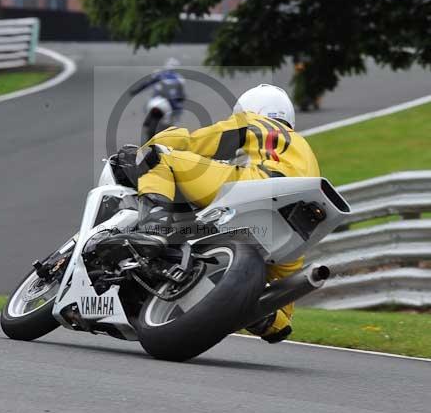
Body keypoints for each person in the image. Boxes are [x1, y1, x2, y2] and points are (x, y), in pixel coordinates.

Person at [131, 84, 319, 344]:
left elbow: (196, 142)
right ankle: (267, 320)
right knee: (283, 314)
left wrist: (154, 143)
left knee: (159, 158)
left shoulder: (254, 123)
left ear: (251, 109)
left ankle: (153, 227)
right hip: (290, 227)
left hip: (256, 187)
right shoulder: (303, 148)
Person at [130, 57, 187, 131]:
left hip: (156, 97)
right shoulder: (179, 78)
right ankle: (172, 126)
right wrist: (181, 99)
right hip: (169, 100)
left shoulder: (158, 74)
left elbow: (146, 84)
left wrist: (135, 91)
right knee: (178, 109)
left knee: (147, 104)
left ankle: (148, 120)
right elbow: (181, 93)